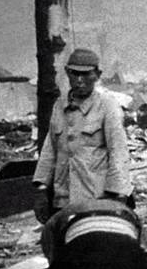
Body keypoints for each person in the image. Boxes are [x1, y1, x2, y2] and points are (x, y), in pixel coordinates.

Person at [33, 48, 133, 223]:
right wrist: (41, 190)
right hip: (63, 200)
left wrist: (118, 195)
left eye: (86, 75)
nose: (80, 80)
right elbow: (50, 150)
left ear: (97, 75)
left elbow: (118, 152)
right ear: (67, 73)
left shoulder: (107, 106)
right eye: (75, 74)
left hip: (97, 199)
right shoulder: (59, 106)